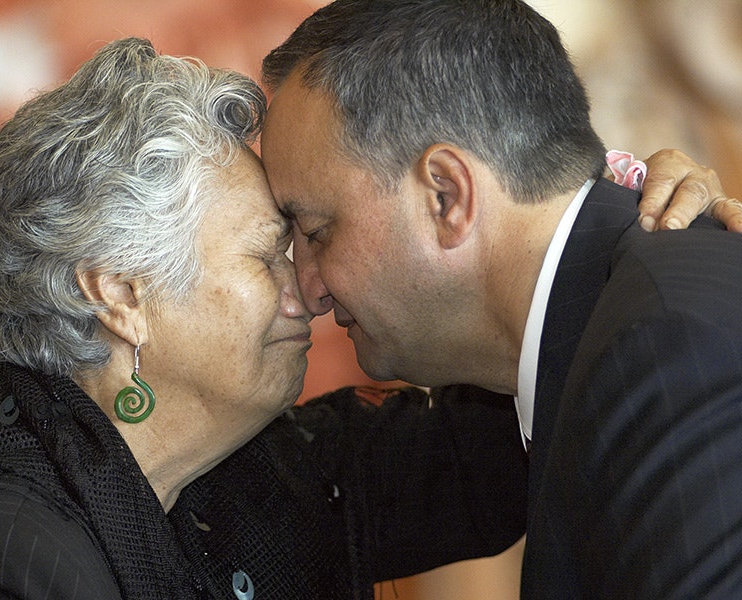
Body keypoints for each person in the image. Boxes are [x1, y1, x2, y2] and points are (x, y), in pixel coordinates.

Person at [0, 32, 731, 600]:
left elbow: (540, 362)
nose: (309, 291)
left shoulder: (270, 473)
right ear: (120, 295)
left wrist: (624, 209)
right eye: (270, 255)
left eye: (310, 238)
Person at [259, 0, 742, 597]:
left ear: (446, 195)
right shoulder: (598, 326)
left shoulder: (665, 347)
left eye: (315, 231)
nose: (308, 290)